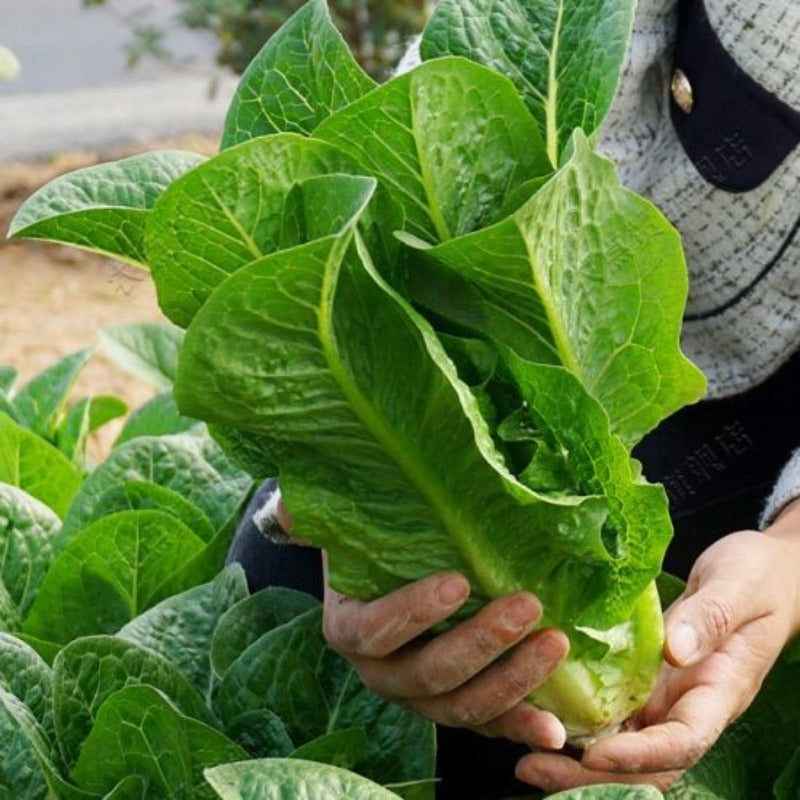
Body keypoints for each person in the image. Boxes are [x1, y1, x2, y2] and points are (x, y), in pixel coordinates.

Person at [227, 0, 800, 795]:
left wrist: (791, 555)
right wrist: (366, 509)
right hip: (616, 326)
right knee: (283, 578)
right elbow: (479, 90)